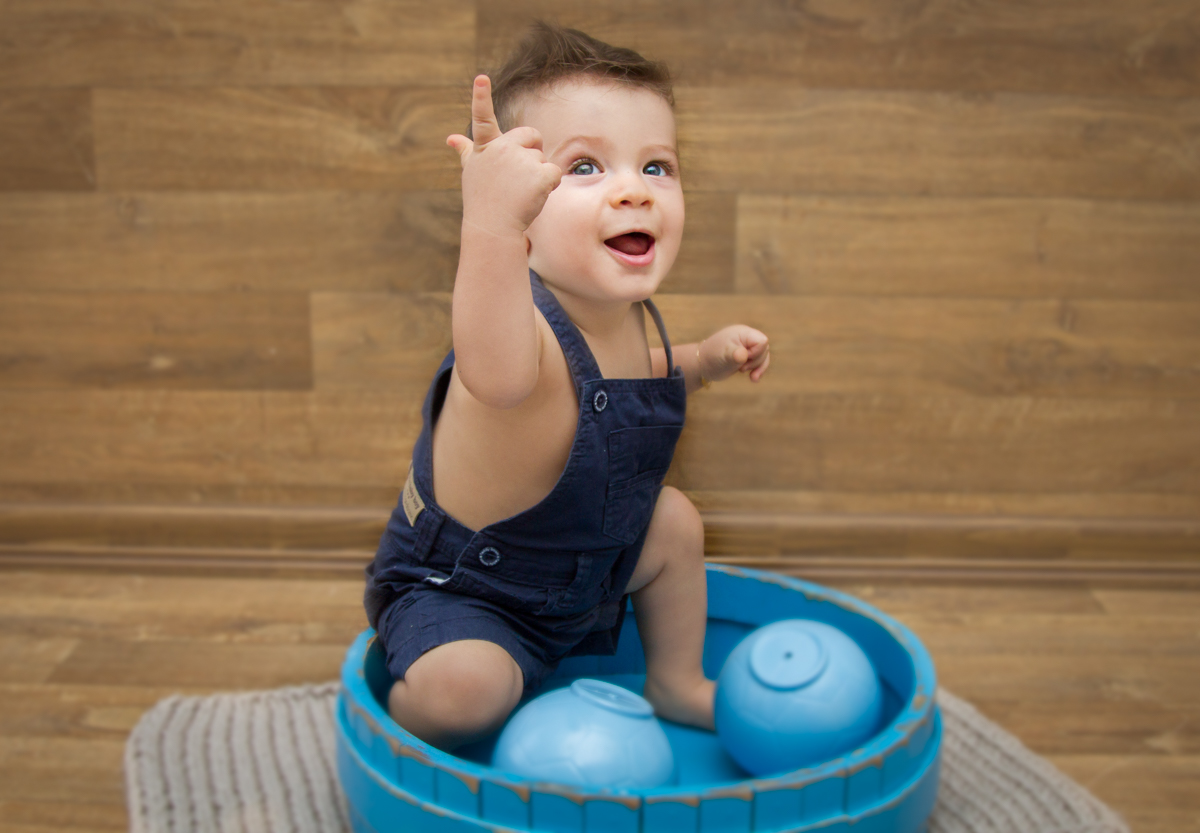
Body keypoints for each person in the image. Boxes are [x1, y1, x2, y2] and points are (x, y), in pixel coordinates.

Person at [363, 22, 771, 752]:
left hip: (582, 574)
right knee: (469, 690)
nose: (633, 193)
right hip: (469, 593)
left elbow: (635, 376)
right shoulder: (516, 324)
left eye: (657, 168)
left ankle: (676, 680)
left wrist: (702, 359)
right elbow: (492, 367)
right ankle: (401, 717)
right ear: (523, 206)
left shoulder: (622, 317)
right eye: (585, 168)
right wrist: (490, 223)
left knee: (674, 520)